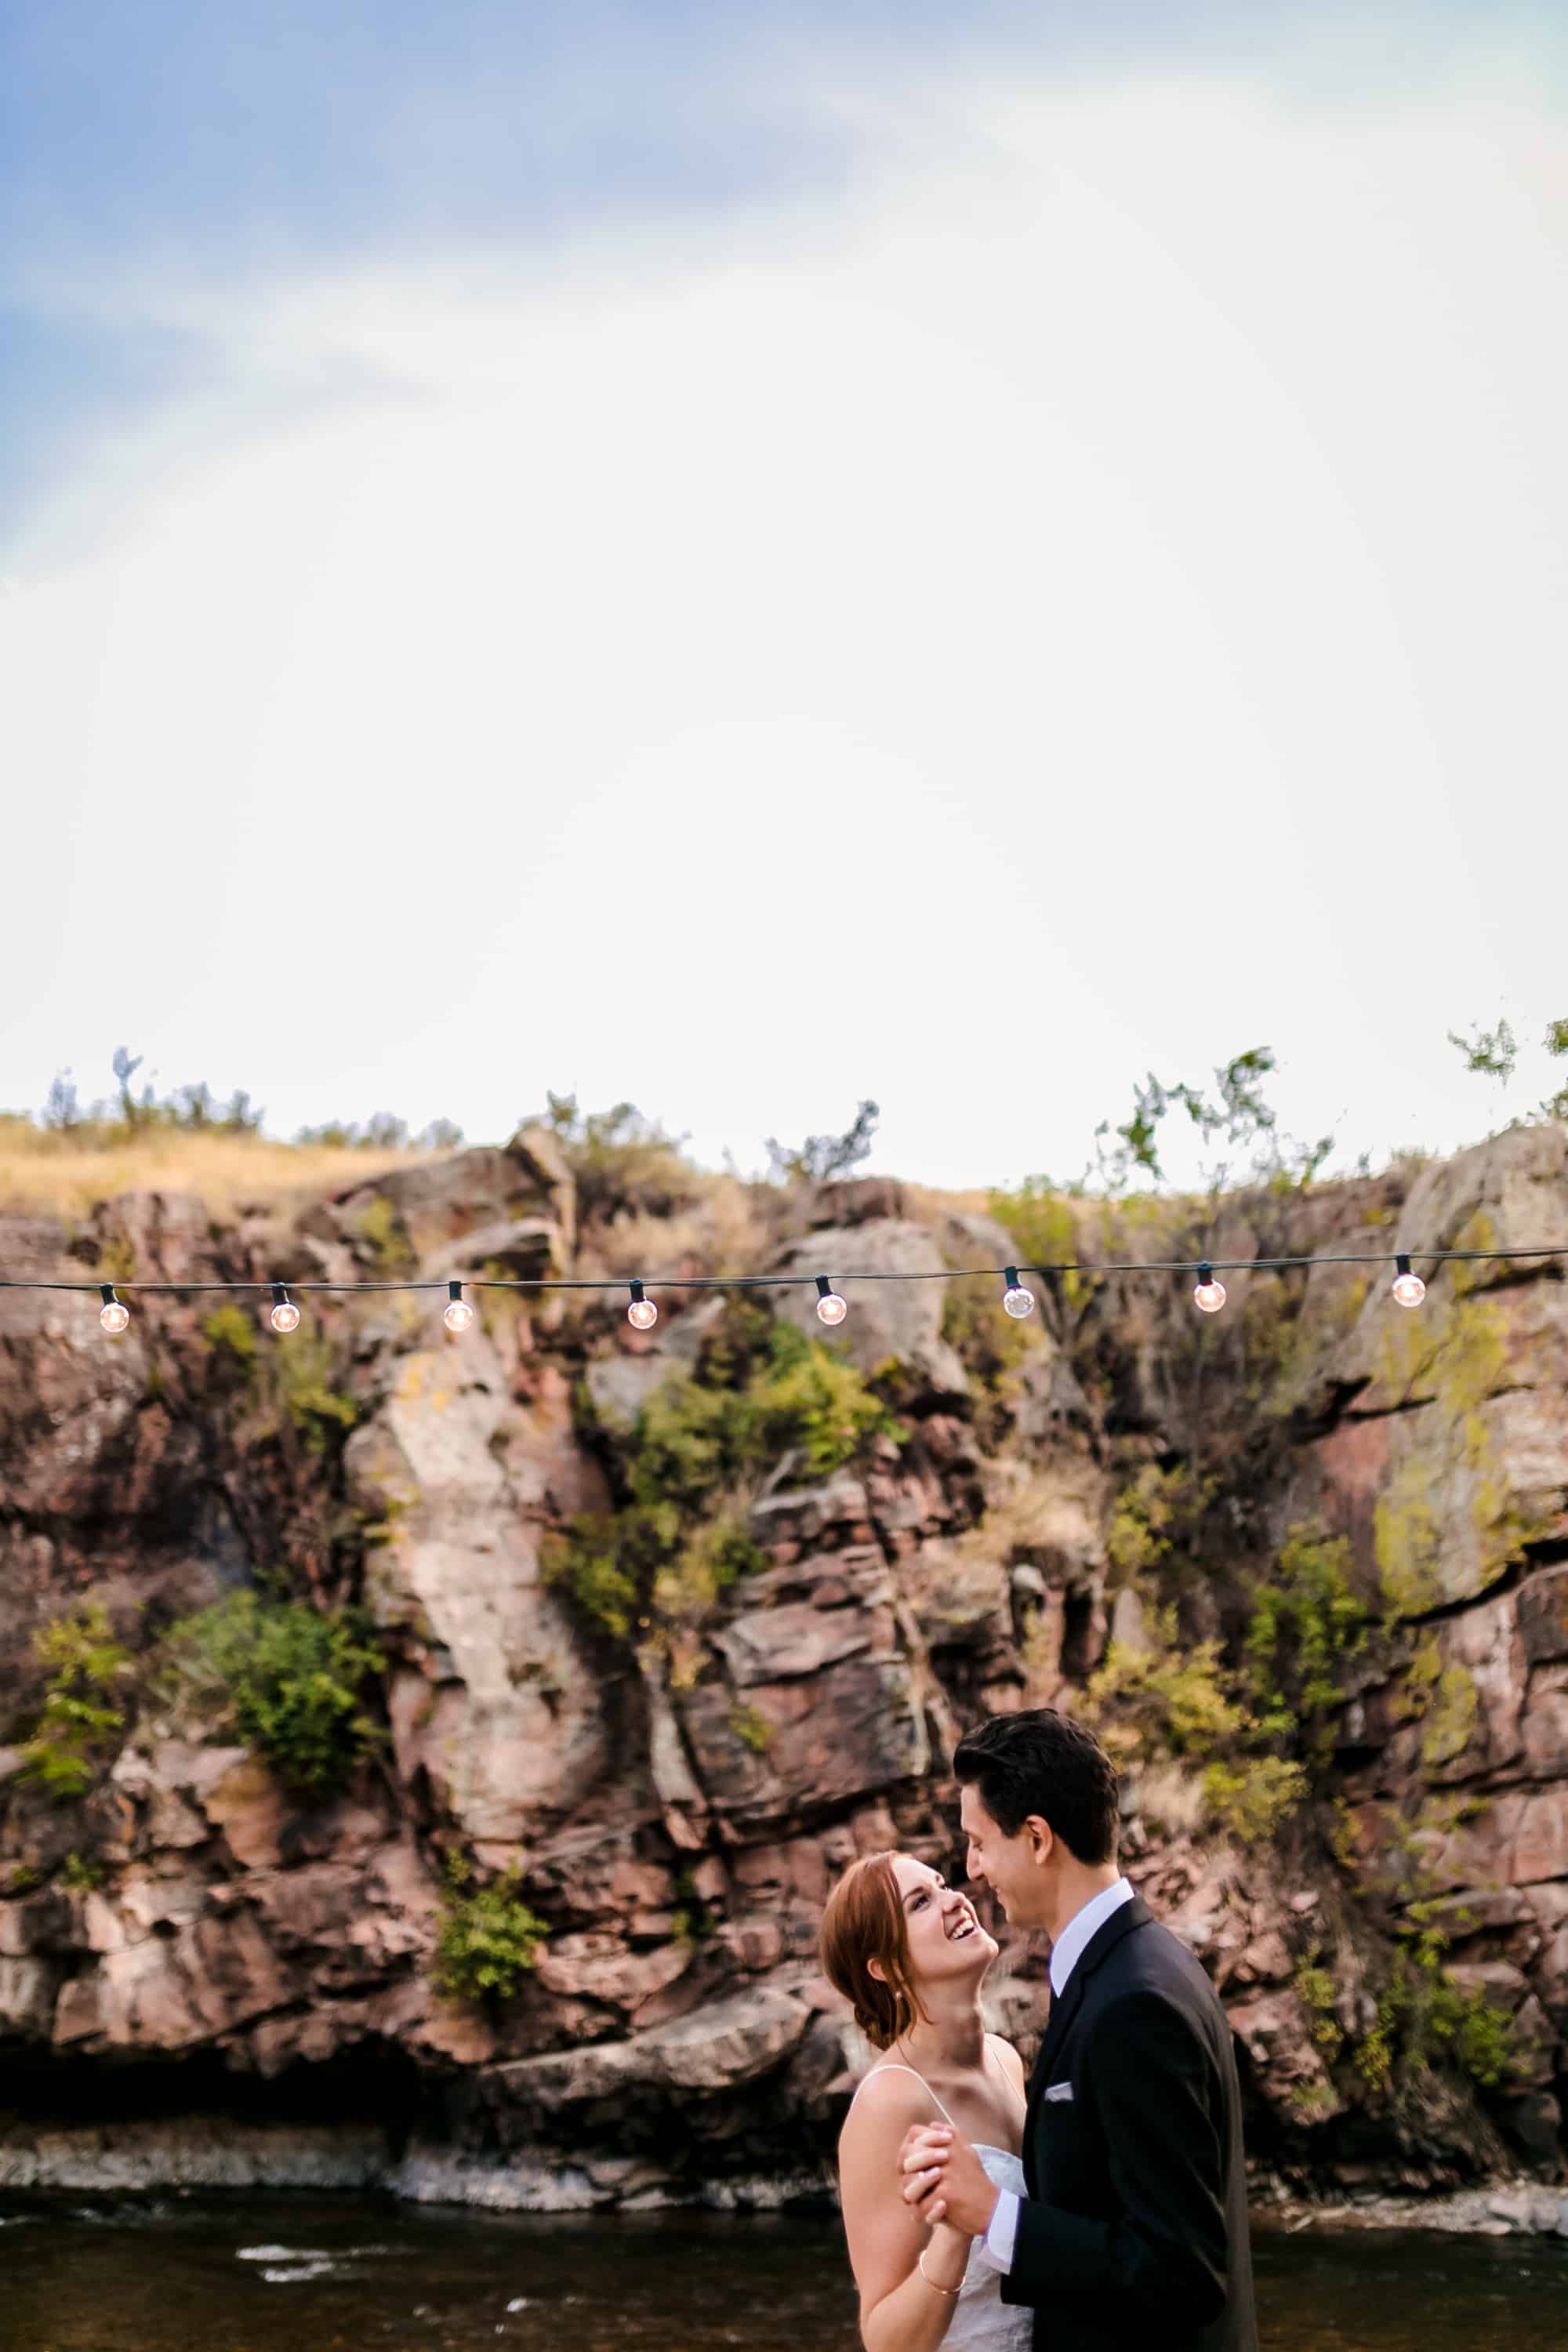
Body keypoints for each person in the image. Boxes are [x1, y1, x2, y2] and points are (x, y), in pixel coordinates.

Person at [898, 1708, 1258, 2352]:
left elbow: (1184, 2277)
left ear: (1037, 1838)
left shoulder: (1135, 2002)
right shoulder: (1139, 1965)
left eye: (979, 1843)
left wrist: (994, 2216)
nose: (974, 1870)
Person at [821, 1847, 1034, 2351]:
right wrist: (954, 2235)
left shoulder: (1006, 2061)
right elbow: (884, 2339)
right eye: (920, 1902)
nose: (954, 1899)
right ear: (885, 1969)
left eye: (942, 1884)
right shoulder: (888, 2103)